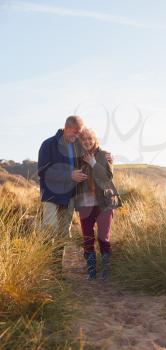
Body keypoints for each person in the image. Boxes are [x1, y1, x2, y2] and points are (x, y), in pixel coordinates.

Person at [38, 115, 112, 275]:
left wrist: (106, 156)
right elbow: (43, 171)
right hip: (51, 196)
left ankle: (57, 271)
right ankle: (44, 270)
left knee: (63, 234)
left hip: (69, 197)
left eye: (79, 133)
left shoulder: (76, 146)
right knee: (49, 231)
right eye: (74, 132)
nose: (77, 136)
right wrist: (69, 175)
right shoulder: (48, 144)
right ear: (66, 128)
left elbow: (92, 148)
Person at [75, 127, 122, 280]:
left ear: (95, 140)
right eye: (84, 139)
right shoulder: (77, 158)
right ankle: (91, 272)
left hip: (104, 204)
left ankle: (106, 272)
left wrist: (94, 163)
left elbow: (108, 176)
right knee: (87, 238)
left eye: (90, 139)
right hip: (85, 204)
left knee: (103, 238)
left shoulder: (104, 155)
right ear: (80, 142)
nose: (87, 142)